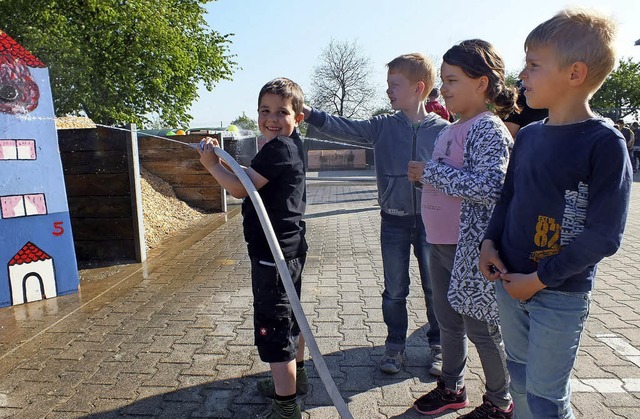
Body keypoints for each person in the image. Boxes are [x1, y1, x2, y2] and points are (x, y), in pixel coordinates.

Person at [479, 9, 632, 419]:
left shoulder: (604, 143)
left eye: (532, 64)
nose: (521, 75)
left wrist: (540, 280)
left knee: (547, 399)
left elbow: (605, 236)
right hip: (510, 283)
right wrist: (489, 243)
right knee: (521, 382)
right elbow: (507, 198)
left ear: (574, 73)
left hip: (560, 294)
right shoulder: (528, 136)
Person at [304, 53, 448, 376]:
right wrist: (312, 115)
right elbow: (346, 128)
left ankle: (440, 346)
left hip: (432, 222)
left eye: (394, 85)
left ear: (418, 88)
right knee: (395, 289)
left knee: (434, 287)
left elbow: (455, 172)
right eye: (387, 85)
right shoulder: (382, 126)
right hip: (393, 220)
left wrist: (430, 176)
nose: (388, 92)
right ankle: (395, 346)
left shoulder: (444, 131)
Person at [408, 39, 515, 418]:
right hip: (439, 242)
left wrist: (431, 173)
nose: (445, 89)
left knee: (482, 329)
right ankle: (451, 387)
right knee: (447, 322)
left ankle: (502, 402)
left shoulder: (487, 129)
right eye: (444, 80)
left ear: (481, 83)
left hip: (469, 250)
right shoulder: (451, 128)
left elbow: (492, 187)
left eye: (452, 80)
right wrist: (427, 179)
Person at [198, 77, 308, 419]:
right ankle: (297, 379)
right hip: (290, 249)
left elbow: (241, 190)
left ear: (298, 117)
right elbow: (254, 175)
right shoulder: (291, 145)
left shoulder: (277, 147)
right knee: (292, 317)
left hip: (271, 255)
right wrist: (227, 159)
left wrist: (213, 166)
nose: (272, 118)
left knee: (275, 330)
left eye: (281, 112)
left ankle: (286, 407)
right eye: (265, 110)